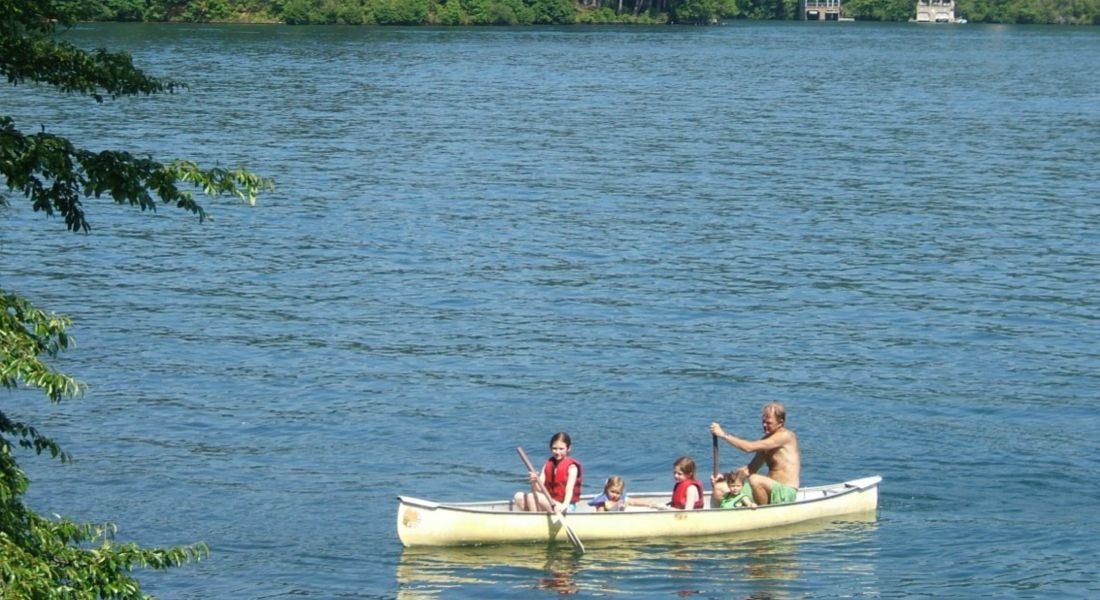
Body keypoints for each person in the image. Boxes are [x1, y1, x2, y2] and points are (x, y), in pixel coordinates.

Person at [710, 402, 801, 506]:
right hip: (767, 491)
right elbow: (750, 469)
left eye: (769, 423)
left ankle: (762, 513)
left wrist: (723, 435)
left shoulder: (786, 436)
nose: (764, 425)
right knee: (719, 489)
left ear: (780, 422)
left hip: (785, 492)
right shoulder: (765, 442)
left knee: (755, 479)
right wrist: (726, 476)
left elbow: (749, 448)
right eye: (763, 422)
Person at [514, 431, 582, 514]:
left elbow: (569, 489)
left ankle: (535, 521)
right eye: (554, 448)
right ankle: (535, 519)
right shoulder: (548, 464)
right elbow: (538, 490)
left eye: (561, 449)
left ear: (568, 448)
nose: (557, 452)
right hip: (550, 502)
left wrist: (565, 505)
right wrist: (534, 481)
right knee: (519, 496)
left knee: (532, 496)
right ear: (550, 448)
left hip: (565, 506)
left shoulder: (572, 467)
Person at [588, 476, 659, 512]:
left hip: (617, 520)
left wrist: (647, 504)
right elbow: (600, 514)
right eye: (612, 492)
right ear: (607, 490)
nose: (615, 495)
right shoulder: (602, 501)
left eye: (618, 493)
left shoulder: (621, 498)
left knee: (625, 503)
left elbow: (633, 502)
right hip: (608, 521)